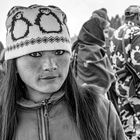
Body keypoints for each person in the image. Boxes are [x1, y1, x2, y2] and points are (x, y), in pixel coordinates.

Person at [0, 4, 126, 140]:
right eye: (35, 54)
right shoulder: (3, 115)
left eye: (59, 52)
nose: (50, 65)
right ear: (14, 64)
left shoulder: (100, 109)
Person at [109, 5, 140, 139]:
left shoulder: (116, 33)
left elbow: (111, 59)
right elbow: (137, 61)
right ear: (137, 16)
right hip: (135, 87)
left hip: (120, 86)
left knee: (127, 129)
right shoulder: (136, 32)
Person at [72, 8, 115, 96]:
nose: (107, 36)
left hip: (81, 93)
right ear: (97, 32)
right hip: (93, 97)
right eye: (105, 32)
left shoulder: (81, 45)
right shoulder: (92, 50)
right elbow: (104, 81)